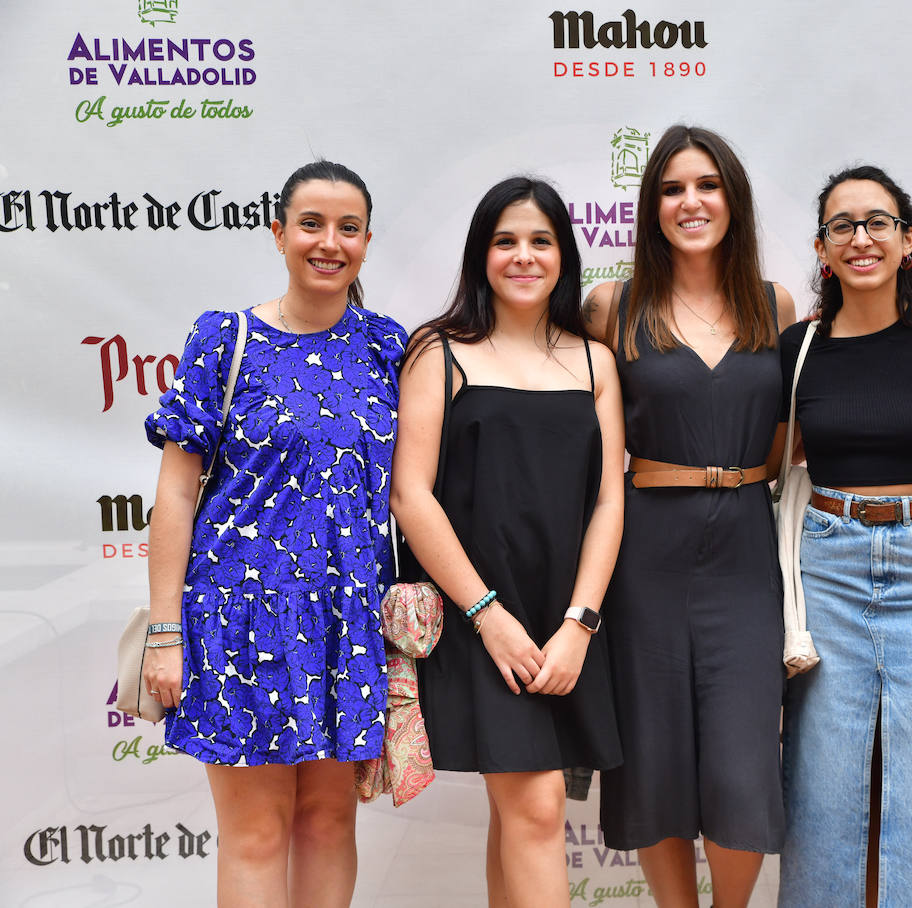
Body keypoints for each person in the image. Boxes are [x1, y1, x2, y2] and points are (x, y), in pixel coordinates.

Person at [142, 160, 405, 906]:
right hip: (239, 618)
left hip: (345, 625)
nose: (329, 242)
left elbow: (414, 487)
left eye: (347, 228)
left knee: (328, 825)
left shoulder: (388, 347)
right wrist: (167, 630)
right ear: (279, 232)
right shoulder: (226, 340)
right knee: (256, 835)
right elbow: (174, 490)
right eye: (312, 224)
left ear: (366, 241)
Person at [391, 177, 624, 908]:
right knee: (537, 805)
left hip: (564, 623)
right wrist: (488, 617)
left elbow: (611, 501)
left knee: (521, 811)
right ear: (480, 255)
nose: (523, 256)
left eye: (541, 241)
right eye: (505, 241)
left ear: (565, 255)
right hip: (479, 618)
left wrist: (580, 626)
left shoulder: (595, 361)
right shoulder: (439, 350)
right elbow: (410, 496)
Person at [583, 124, 795, 908]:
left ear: (732, 199)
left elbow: (782, 439)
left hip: (745, 547)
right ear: (651, 207)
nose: (690, 201)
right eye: (672, 189)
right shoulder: (612, 305)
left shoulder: (775, 304)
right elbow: (586, 443)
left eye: (706, 185)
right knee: (655, 760)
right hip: (646, 553)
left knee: (743, 765)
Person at [778, 166, 912, 908]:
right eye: (843, 225)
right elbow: (778, 455)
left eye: (878, 222)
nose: (860, 238)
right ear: (821, 247)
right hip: (828, 561)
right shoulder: (797, 348)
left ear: (908, 239)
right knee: (821, 788)